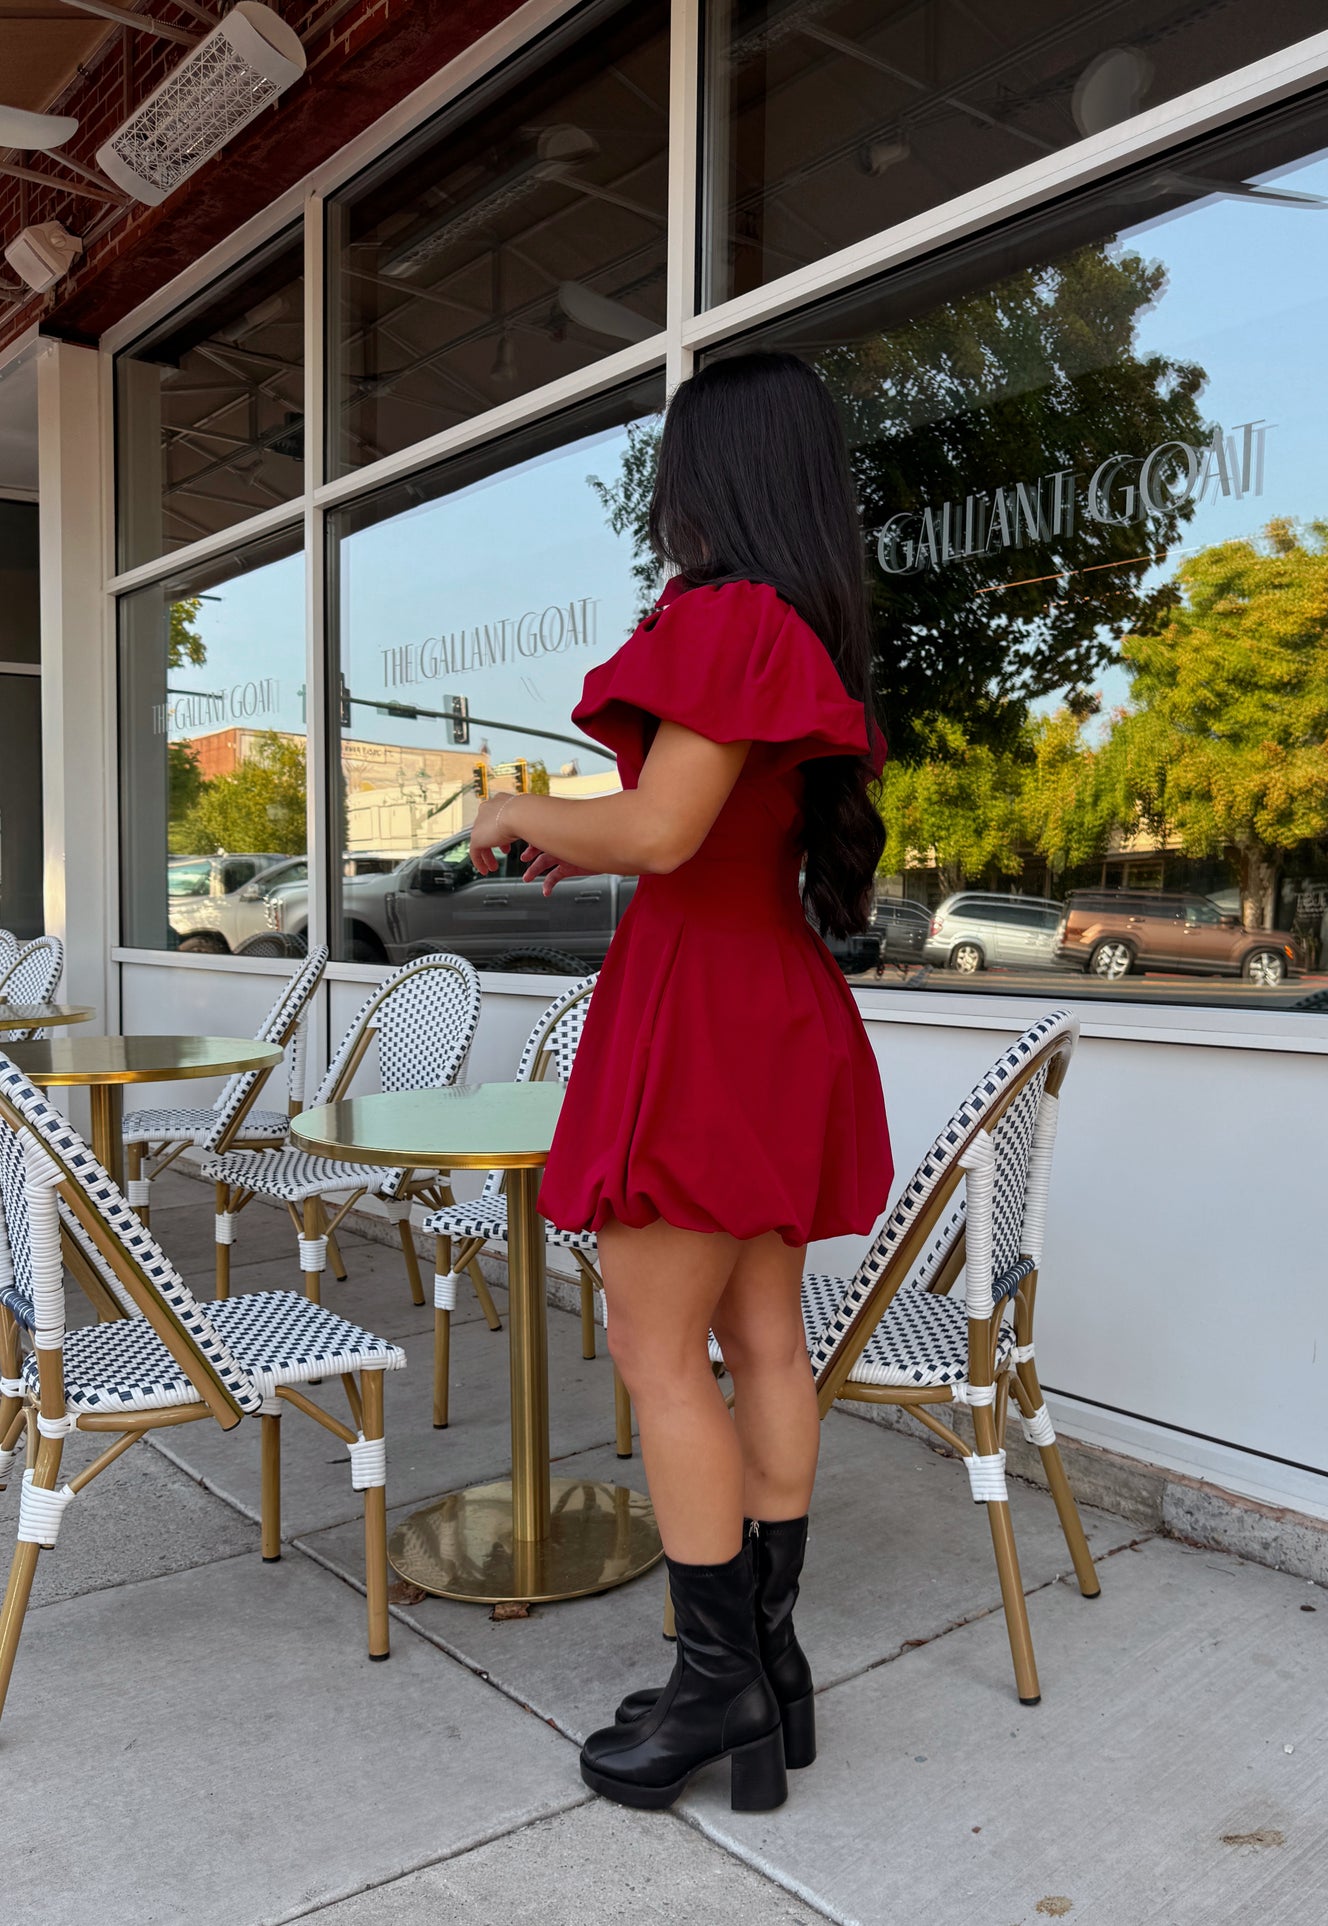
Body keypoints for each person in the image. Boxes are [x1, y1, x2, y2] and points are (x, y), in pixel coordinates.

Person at [468, 352, 893, 1813]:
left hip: (702, 1010)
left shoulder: (724, 620)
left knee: (662, 1360)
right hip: (768, 998)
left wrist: (514, 803)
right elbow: (688, 827)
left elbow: (659, 830)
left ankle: (716, 1685)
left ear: (706, 477)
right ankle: (765, 1672)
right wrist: (576, 833)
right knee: (764, 1339)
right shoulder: (798, 628)